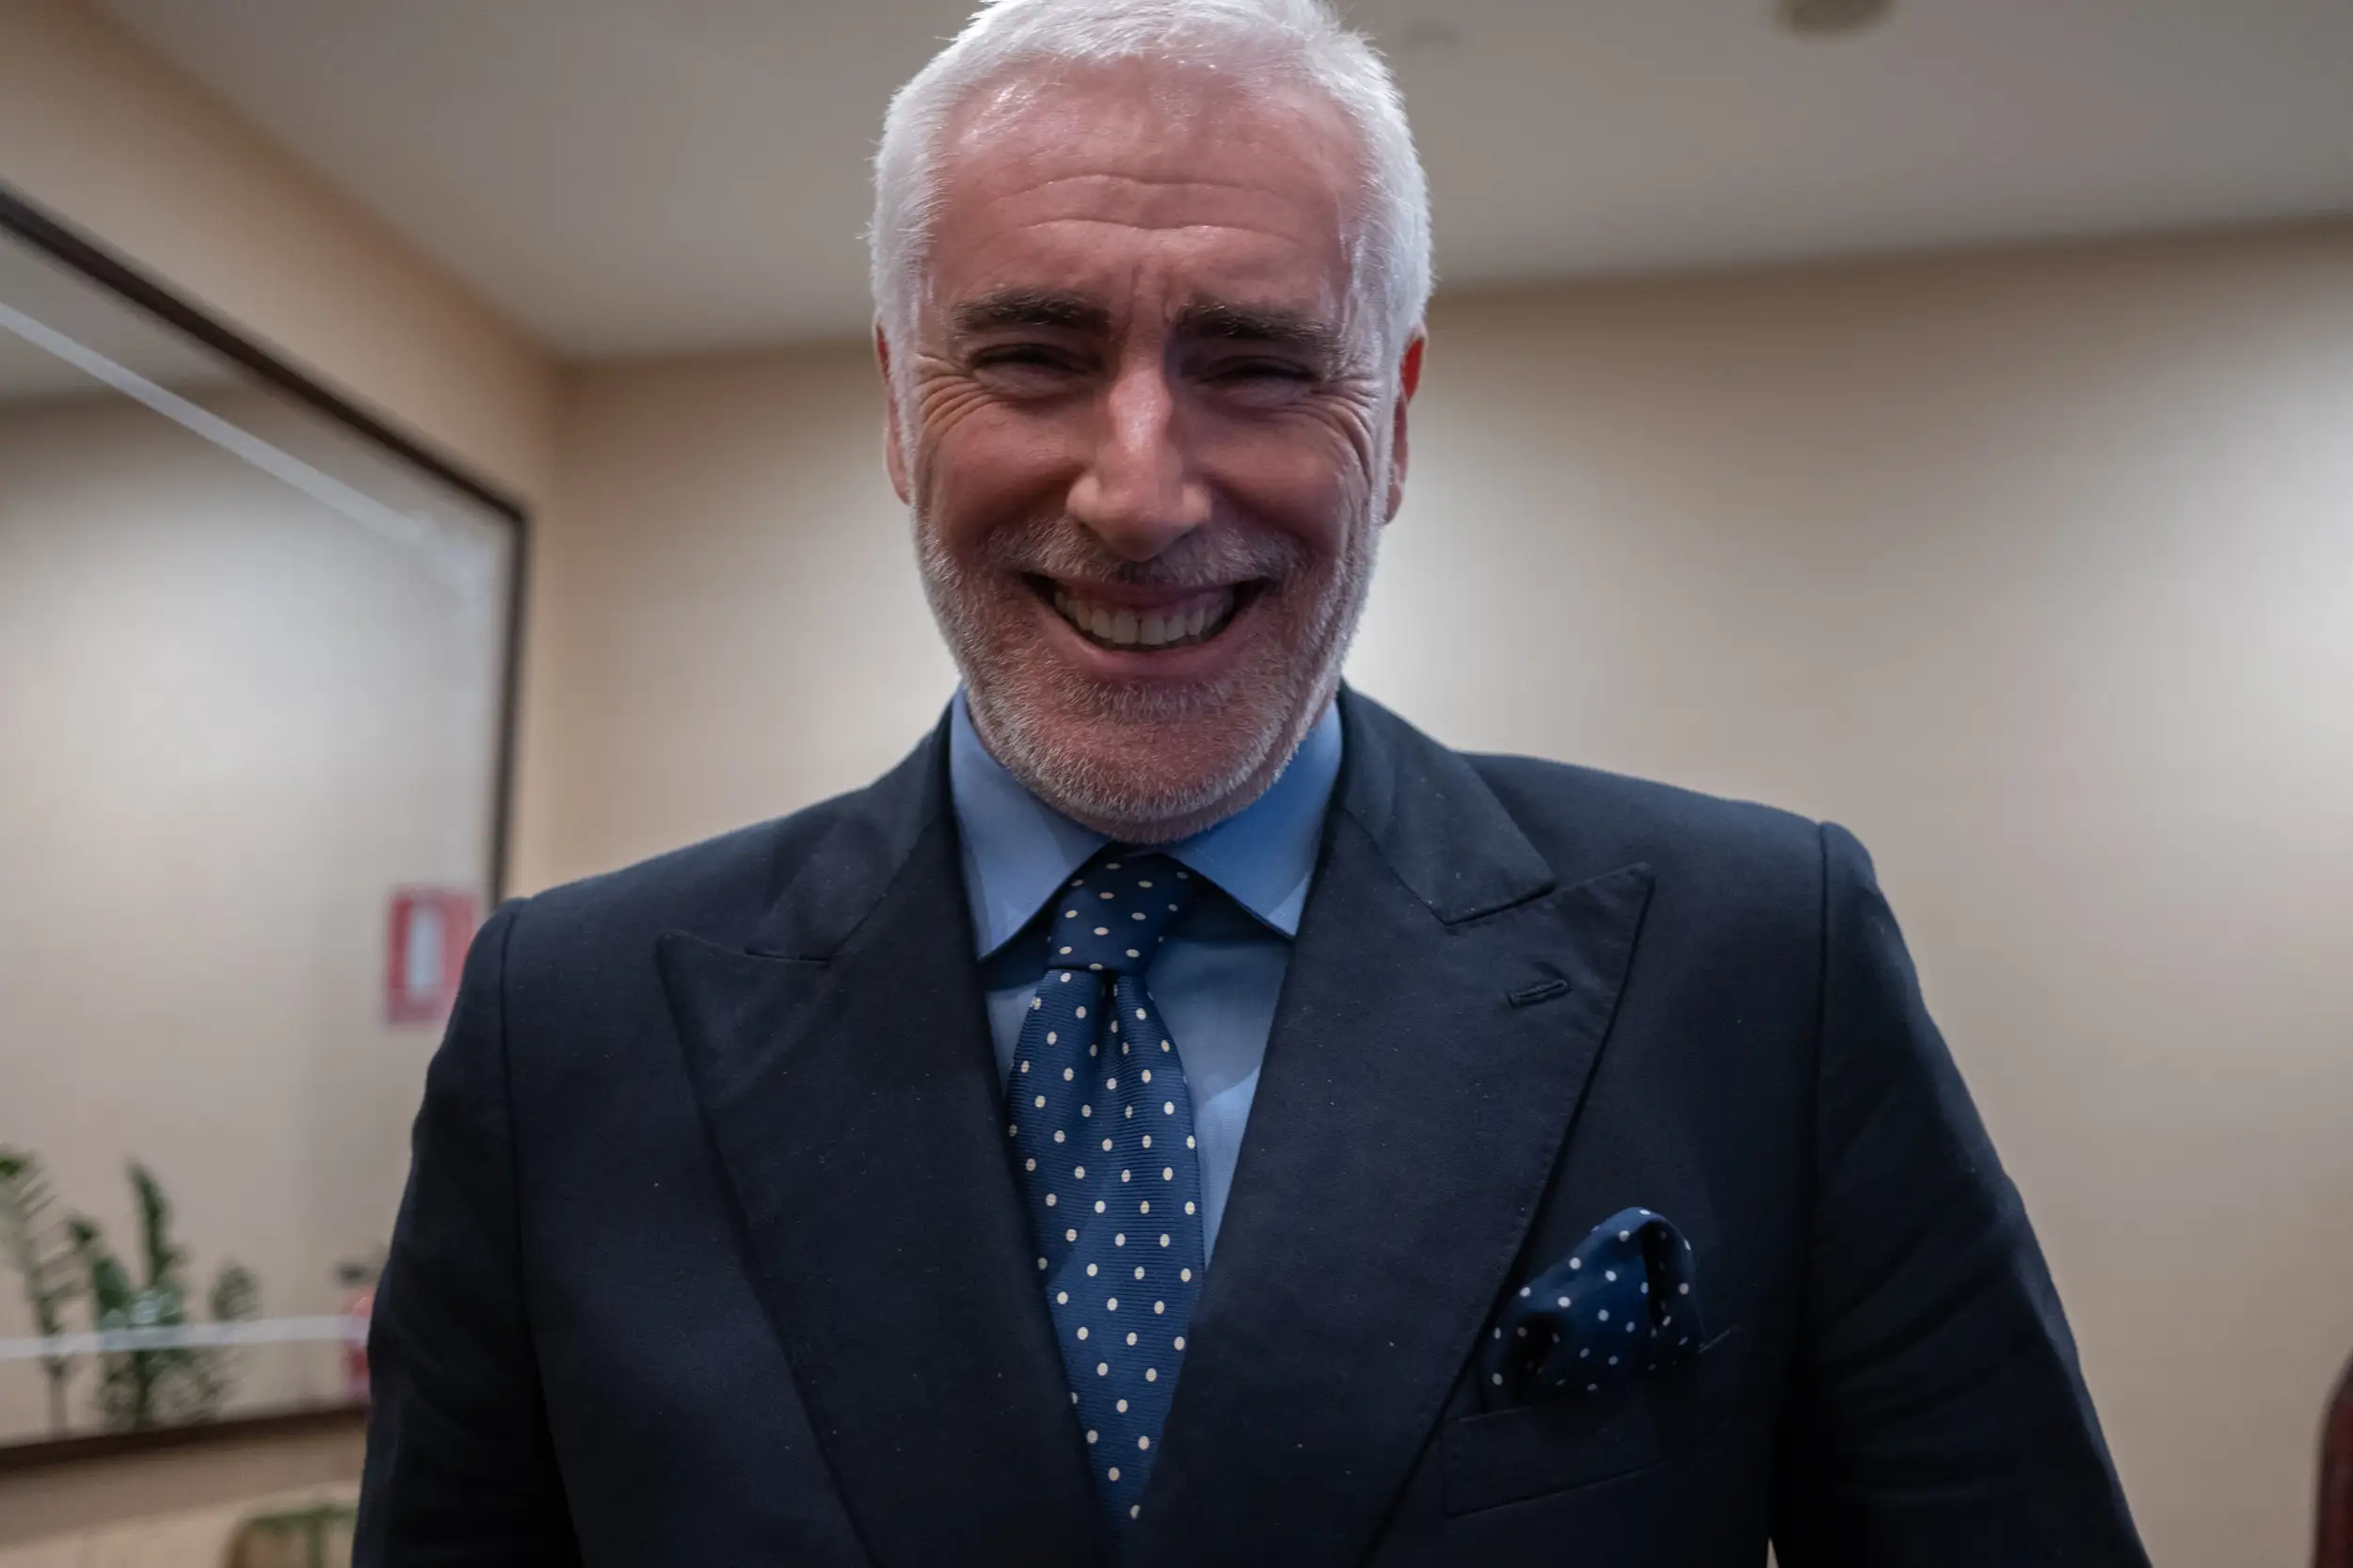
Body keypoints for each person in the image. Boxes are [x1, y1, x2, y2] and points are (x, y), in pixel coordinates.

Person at [354, 1, 2150, 1562]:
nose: (1140, 495)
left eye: (1261, 362)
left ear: (1396, 418)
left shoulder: (1757, 965)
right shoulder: (565, 1027)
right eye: (1035, 356)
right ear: (902, 403)